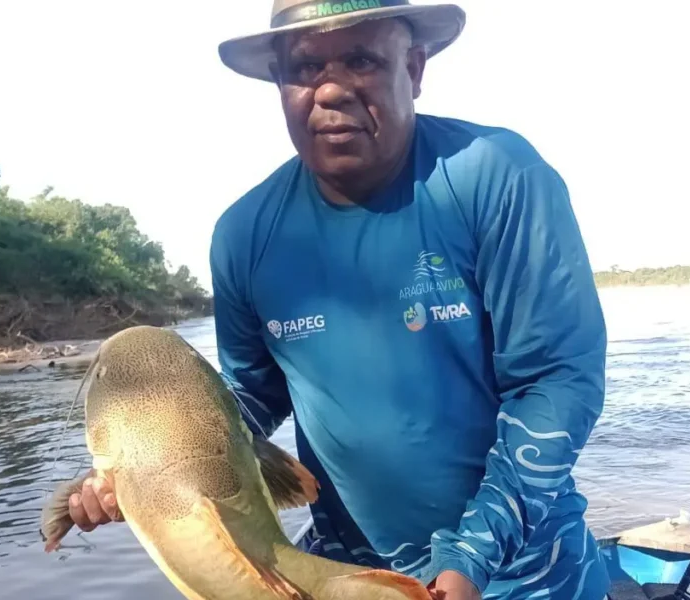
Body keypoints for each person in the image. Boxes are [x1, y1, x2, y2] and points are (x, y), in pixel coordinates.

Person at [68, 1, 611, 598]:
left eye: (361, 59)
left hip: (525, 568)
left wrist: (470, 560)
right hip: (344, 571)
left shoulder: (497, 176)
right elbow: (249, 398)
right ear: (278, 81)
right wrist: (146, 469)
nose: (330, 90)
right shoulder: (245, 234)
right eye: (304, 68)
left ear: (415, 66)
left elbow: (556, 382)